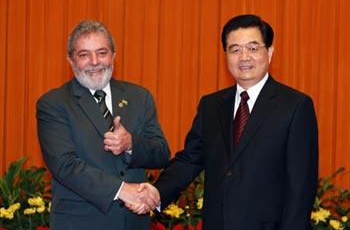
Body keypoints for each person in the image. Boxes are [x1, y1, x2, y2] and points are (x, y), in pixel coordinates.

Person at [138, 14, 318, 230]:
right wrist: (158, 192)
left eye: (253, 48)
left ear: (269, 52)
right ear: (226, 55)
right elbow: (190, 160)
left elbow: (301, 187)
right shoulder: (211, 106)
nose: (244, 57)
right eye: (235, 49)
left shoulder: (295, 106)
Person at [36, 20, 169, 230]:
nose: (95, 61)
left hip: (133, 222)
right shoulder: (53, 103)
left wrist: (131, 143)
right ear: (70, 60)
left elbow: (161, 153)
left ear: (114, 56)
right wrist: (122, 190)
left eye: (102, 52)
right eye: (84, 55)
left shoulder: (139, 97)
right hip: (80, 223)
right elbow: (64, 165)